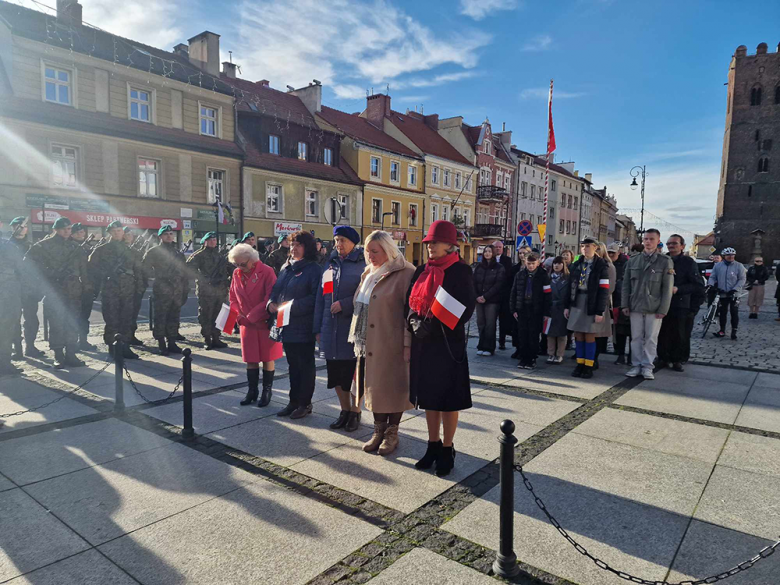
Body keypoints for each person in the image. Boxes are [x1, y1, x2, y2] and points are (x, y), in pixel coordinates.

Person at [407, 220, 476, 477]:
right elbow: (410, 301)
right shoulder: (421, 270)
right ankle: (432, 445)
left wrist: (433, 326)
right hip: (423, 343)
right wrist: (413, 320)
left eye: (435, 243)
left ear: (450, 245)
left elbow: (466, 308)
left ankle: (447, 448)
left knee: (448, 400)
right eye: (428, 243)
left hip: (448, 345)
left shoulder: (461, 271)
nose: (430, 247)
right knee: (428, 399)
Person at [349, 231, 415, 455]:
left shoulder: (406, 272)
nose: (370, 255)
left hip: (392, 340)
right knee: (374, 387)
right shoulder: (369, 272)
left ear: (388, 250)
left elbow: (411, 312)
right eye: (367, 251)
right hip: (369, 341)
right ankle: (378, 430)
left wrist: (407, 343)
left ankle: (392, 433)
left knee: (394, 388)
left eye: (374, 251)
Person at [314, 226, 365, 433]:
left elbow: (366, 296)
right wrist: (317, 328)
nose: (338, 244)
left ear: (353, 242)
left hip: (351, 329)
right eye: (336, 240)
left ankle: (355, 411)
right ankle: (344, 411)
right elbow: (322, 298)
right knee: (335, 375)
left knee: (353, 375)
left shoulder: (363, 266)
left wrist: (345, 304)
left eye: (343, 240)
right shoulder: (330, 265)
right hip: (330, 328)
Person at [268, 231, 321, 419]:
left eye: (298, 245)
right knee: (292, 365)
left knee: (305, 366)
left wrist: (291, 306)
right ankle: (293, 401)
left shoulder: (314, 269)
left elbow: (316, 298)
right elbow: (276, 290)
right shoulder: (286, 267)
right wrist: (271, 303)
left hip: (303, 324)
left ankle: (305, 403)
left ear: (307, 248)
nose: (294, 248)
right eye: (292, 245)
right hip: (286, 324)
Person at [26, 217, 87, 369]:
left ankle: (71, 354)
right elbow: (29, 266)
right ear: (55, 229)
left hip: (73, 290)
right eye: (64, 229)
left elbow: (84, 271)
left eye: (69, 229)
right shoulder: (42, 246)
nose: (67, 232)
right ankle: (58, 355)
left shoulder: (76, 248)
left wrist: (87, 287)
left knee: (72, 322)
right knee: (56, 323)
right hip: (54, 291)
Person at [229, 243, 282, 407]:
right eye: (236, 264)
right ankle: (252, 390)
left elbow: (270, 298)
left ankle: (267, 391)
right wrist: (238, 315)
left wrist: (252, 316)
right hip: (246, 323)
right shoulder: (237, 273)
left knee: (267, 358)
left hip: (264, 321)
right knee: (250, 358)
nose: (239, 267)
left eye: (243, 264)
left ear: (252, 260)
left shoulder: (266, 271)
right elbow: (232, 297)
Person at [621, 229, 674, 380]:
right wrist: (625, 304)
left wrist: (663, 309)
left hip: (654, 306)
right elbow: (626, 285)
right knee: (636, 337)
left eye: (651, 239)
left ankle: (648, 366)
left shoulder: (664, 261)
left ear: (658, 241)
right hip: (636, 305)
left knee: (651, 338)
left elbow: (667, 288)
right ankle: (636, 365)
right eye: (646, 239)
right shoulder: (633, 260)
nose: (648, 242)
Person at [88, 221, 141, 360]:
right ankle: (112, 347)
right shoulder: (101, 250)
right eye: (114, 231)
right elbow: (92, 269)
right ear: (109, 232)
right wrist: (104, 275)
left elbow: (138, 271)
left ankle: (125, 346)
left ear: (123, 232)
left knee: (127, 318)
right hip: (110, 288)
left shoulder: (131, 251)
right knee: (111, 318)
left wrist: (139, 288)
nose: (117, 233)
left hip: (128, 289)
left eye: (119, 230)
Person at [564, 237, 611, 379]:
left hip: (592, 302)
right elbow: (570, 286)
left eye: (588, 246)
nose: (585, 249)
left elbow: (604, 289)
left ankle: (588, 365)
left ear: (596, 248)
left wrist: (599, 310)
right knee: (578, 334)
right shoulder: (576, 264)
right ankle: (580, 363)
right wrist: (567, 306)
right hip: (578, 300)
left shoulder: (601, 265)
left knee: (590, 334)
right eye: (583, 246)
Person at [656, 235, 704, 372]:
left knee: (680, 333)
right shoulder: (663, 259)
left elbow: (697, 285)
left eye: (675, 243)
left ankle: (678, 359)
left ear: (682, 246)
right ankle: (663, 358)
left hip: (681, 304)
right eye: (669, 243)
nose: (671, 246)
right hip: (662, 303)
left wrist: (679, 289)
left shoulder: (688, 262)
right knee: (662, 332)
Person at [143, 226, 188, 356]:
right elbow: (145, 268)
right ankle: (161, 343)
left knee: (174, 316)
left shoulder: (178, 253)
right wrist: (159, 275)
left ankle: (172, 342)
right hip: (162, 289)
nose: (169, 236)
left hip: (177, 290)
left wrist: (185, 288)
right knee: (161, 316)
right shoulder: (154, 251)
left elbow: (184, 271)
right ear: (160, 237)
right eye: (166, 234)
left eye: (170, 234)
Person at [186, 232, 231, 349]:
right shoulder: (199, 255)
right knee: (206, 315)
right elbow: (189, 269)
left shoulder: (220, 256)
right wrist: (203, 278)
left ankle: (216, 337)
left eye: (215, 240)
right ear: (205, 241)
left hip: (220, 290)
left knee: (218, 315)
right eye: (210, 240)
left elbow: (229, 269)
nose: (213, 242)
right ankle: (207, 339)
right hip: (206, 291)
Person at [8, 217, 43, 358]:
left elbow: (39, 268)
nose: (21, 229)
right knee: (13, 319)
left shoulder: (32, 247)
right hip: (11, 288)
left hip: (29, 289)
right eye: (18, 226)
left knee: (31, 319)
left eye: (24, 226)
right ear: (12, 228)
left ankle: (30, 346)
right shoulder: (6, 245)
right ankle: (16, 348)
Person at [510, 253, 551, 369]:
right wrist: (513, 309)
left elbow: (548, 295)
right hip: (522, 308)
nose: (531, 266)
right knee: (522, 335)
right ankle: (523, 358)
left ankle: (532, 358)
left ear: (538, 263)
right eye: (529, 263)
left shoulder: (543, 276)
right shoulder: (520, 275)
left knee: (533, 335)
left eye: (533, 263)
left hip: (536, 310)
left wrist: (546, 312)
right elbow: (514, 292)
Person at [0, 217, 24, 375]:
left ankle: (4, 362)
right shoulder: (8, 245)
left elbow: (20, 269)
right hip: (7, 294)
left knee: (7, 328)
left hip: (8, 294)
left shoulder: (8, 245)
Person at [473, 245, 505, 356]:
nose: (487, 253)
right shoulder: (479, 267)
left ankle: (489, 347)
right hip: (478, 300)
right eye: (485, 251)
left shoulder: (499, 267)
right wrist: (477, 296)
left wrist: (485, 296)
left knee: (490, 324)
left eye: (489, 251)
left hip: (492, 300)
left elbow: (498, 284)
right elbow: (473, 282)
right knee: (481, 323)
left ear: (493, 253)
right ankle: (481, 345)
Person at [69, 223, 97, 351]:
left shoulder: (87, 247)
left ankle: (83, 340)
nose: (81, 234)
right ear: (72, 234)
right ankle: (72, 342)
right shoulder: (69, 247)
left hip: (87, 285)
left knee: (85, 315)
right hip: (73, 286)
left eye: (82, 232)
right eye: (78, 232)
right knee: (73, 315)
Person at [708, 247, 746, 340]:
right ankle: (722, 330)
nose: (731, 256)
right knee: (723, 312)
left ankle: (734, 331)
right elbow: (712, 277)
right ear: (724, 256)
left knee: (734, 312)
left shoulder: (739, 266)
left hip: (734, 293)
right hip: (723, 292)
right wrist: (712, 285)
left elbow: (742, 279)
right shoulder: (718, 266)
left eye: (732, 255)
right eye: (728, 255)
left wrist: (735, 289)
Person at [592, 242, 616, 370]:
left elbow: (610, 288)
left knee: (599, 333)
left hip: (602, 303)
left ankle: (595, 357)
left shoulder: (608, 267)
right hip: (588, 303)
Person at [122, 227, 147, 347]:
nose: (128, 236)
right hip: (123, 288)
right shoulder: (120, 250)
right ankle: (122, 339)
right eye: (126, 234)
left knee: (134, 313)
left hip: (135, 287)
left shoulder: (136, 251)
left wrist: (141, 286)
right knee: (124, 315)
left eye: (130, 235)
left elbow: (140, 270)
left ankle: (131, 335)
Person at [607, 243, 631, 365]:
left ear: (619, 253)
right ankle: (619, 353)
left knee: (631, 332)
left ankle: (631, 356)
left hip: (626, 301)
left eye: (613, 253)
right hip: (614, 301)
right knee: (619, 331)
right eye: (609, 252)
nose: (610, 255)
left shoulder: (626, 264)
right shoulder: (606, 263)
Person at [546, 257, 569, 363]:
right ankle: (550, 353)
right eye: (555, 263)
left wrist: (567, 307)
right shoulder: (548, 278)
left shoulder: (567, 278)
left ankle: (560, 354)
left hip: (562, 308)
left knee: (561, 333)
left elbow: (569, 294)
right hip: (550, 307)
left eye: (559, 263)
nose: (556, 266)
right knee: (550, 333)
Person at [493, 240, 514, 350]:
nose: (497, 249)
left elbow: (509, 276)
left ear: (502, 249)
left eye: (499, 247)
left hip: (503, 295)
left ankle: (502, 341)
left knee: (503, 320)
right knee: (491, 321)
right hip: (491, 295)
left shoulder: (507, 260)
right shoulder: (489, 259)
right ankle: (490, 341)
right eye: (495, 247)